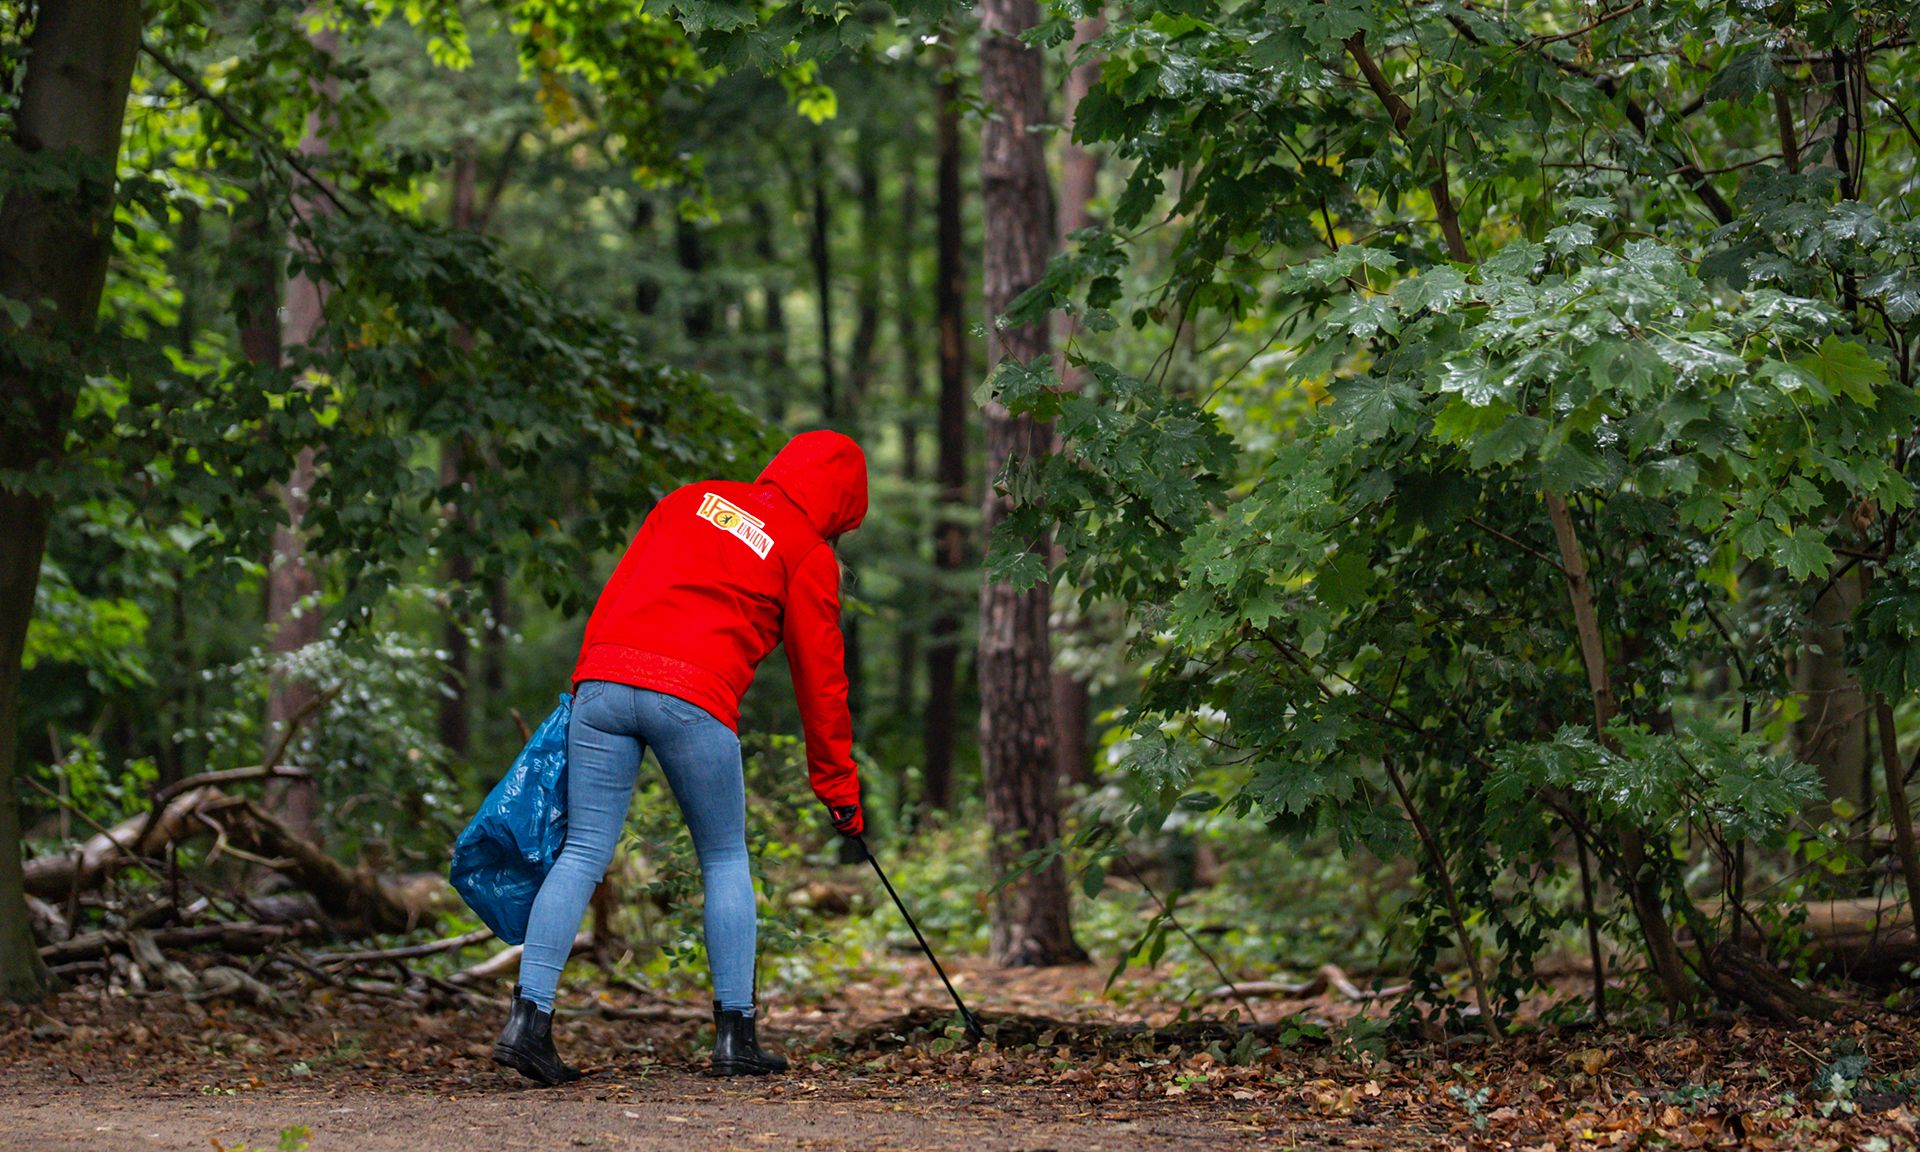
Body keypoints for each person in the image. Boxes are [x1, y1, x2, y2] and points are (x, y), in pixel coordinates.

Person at [491, 430, 868, 1085]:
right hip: (694, 697)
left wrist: (590, 679)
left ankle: (528, 1023)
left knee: (582, 851)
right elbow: (822, 681)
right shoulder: (805, 552)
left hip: (603, 682)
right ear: (842, 504)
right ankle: (735, 1038)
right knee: (724, 857)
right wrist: (838, 788)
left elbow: (622, 587)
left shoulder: (693, 499)